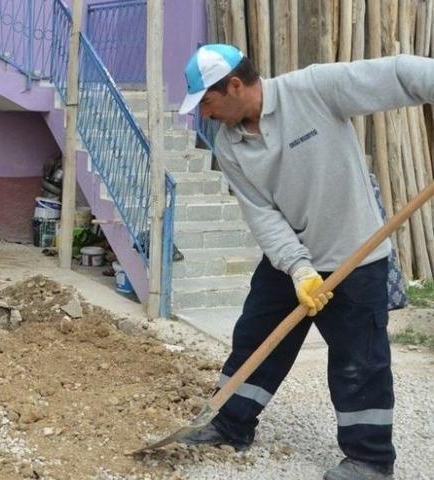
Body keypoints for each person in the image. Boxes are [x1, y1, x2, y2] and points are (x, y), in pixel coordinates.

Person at [176, 44, 434, 480]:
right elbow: (263, 215)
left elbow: (397, 74)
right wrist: (299, 269)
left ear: (235, 86)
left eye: (206, 101)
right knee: (256, 335)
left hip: (357, 252)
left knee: (359, 359)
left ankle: (370, 459)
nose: (204, 113)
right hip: (292, 259)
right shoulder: (229, 144)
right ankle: (231, 423)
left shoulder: (312, 89)